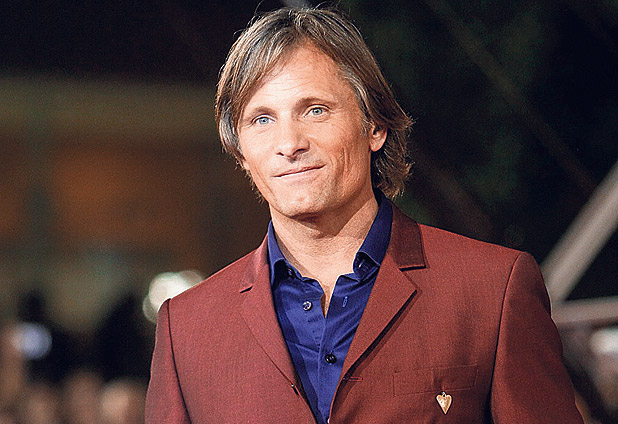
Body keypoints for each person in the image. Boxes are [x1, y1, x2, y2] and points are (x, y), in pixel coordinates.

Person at [145, 6, 583, 423]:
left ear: (375, 127)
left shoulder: (492, 290)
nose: (289, 143)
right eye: (262, 119)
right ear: (241, 153)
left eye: (315, 110)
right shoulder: (187, 328)